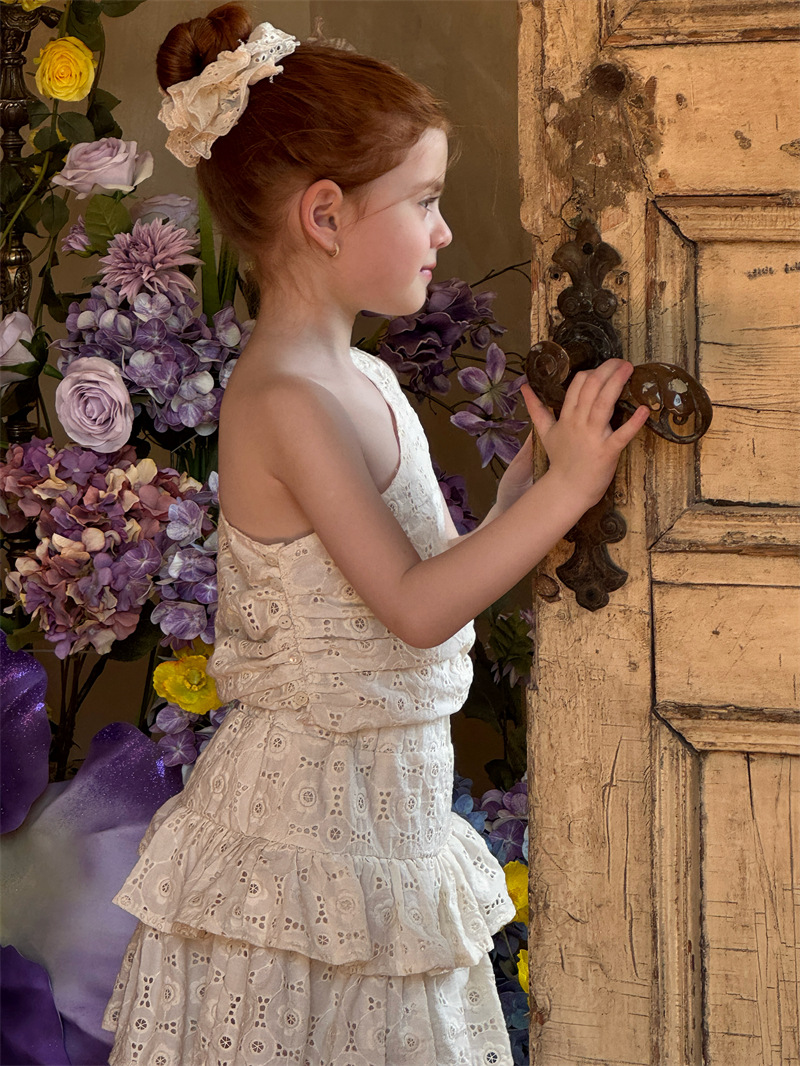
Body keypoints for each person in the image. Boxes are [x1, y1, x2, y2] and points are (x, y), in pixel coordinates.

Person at [102, 5, 650, 1064]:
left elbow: (422, 574)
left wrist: (523, 497)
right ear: (325, 215)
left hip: (383, 826)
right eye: (425, 201)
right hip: (300, 841)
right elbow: (411, 610)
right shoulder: (286, 400)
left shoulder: (361, 376)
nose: (443, 232)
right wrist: (570, 492)